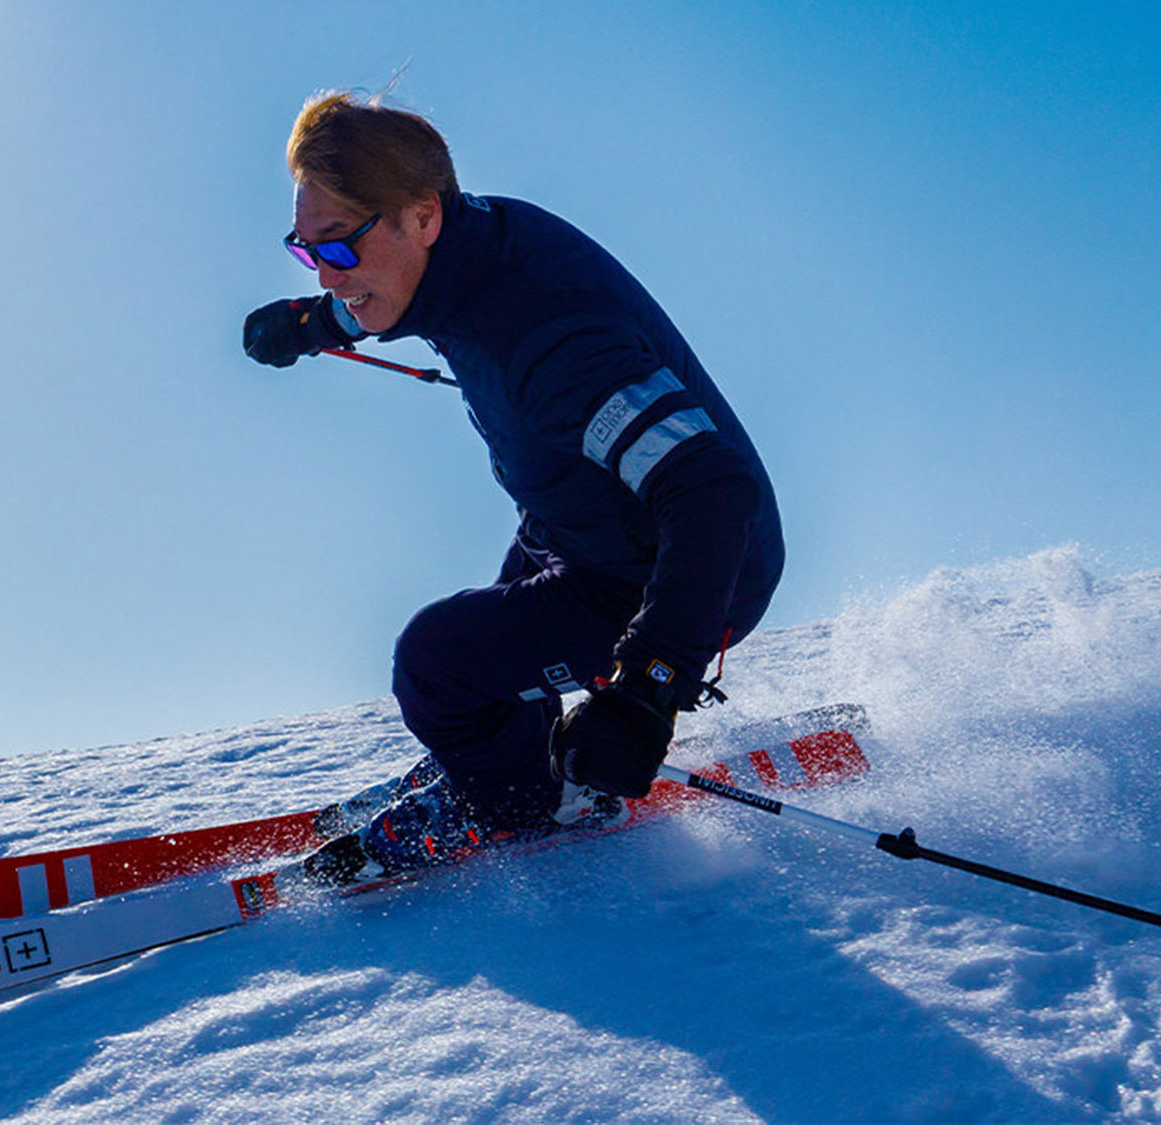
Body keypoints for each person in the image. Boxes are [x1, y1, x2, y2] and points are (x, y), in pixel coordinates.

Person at [243, 91, 784, 882]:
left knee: (436, 665)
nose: (327, 273)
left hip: (685, 570)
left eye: (340, 248)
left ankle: (532, 804)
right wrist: (312, 326)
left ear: (422, 216)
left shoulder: (550, 341)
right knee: (492, 652)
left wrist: (648, 688)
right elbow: (396, 294)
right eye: (307, 250)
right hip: (583, 524)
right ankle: (509, 759)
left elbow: (712, 491)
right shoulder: (460, 245)